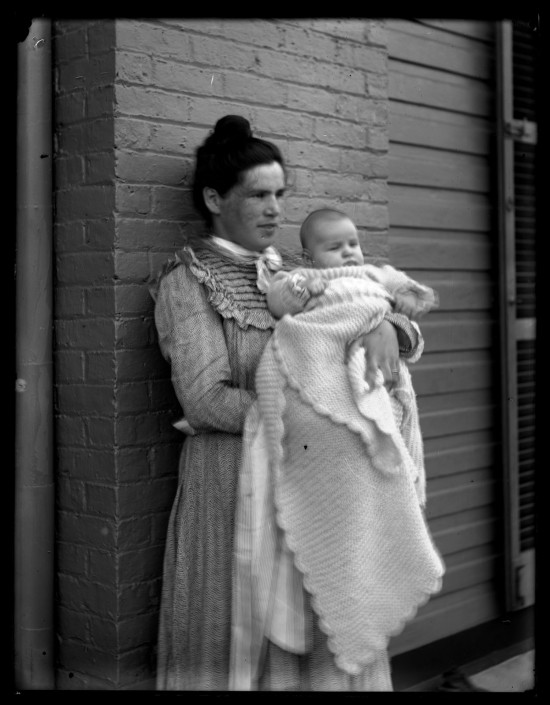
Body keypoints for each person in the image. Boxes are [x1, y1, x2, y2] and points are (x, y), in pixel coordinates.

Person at [150, 114, 424, 691]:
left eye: (280, 194)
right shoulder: (190, 280)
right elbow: (204, 399)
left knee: (330, 638)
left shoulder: (302, 272)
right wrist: (311, 421)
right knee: (251, 649)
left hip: (324, 490)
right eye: (258, 195)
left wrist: (390, 330)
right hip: (235, 489)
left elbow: (385, 314)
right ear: (213, 198)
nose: (275, 209)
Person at [229, 207, 445, 691]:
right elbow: (283, 310)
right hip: (317, 389)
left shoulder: (375, 278)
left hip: (367, 392)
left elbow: (415, 313)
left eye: (353, 242)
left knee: (360, 539)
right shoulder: (305, 277)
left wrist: (391, 317)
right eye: (335, 246)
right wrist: (293, 288)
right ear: (310, 253)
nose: (349, 252)